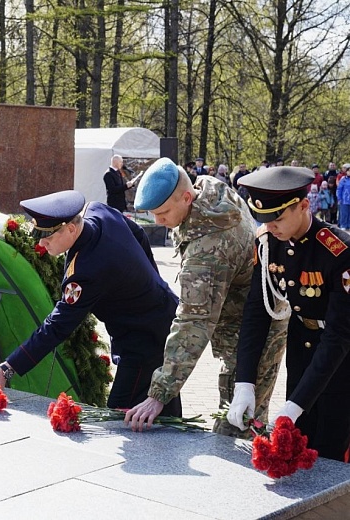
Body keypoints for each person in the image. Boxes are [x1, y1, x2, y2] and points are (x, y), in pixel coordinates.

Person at [0, 190, 182, 416]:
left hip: (145, 339)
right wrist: (152, 283)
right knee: (161, 410)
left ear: (71, 228)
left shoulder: (86, 271)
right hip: (163, 313)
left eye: (47, 237)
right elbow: (139, 234)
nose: (42, 244)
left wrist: (6, 370)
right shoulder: (98, 211)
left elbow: (56, 327)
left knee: (121, 415)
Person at [124, 158, 287, 434]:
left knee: (238, 428)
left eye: (162, 212)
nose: (158, 221)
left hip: (252, 338)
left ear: (187, 197)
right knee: (241, 420)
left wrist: (159, 394)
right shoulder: (209, 192)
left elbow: (193, 321)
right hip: (249, 328)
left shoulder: (209, 249)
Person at [227, 166, 350, 462]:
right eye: (264, 220)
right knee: (301, 442)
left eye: (278, 218)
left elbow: (337, 335)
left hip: (341, 357)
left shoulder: (339, 251)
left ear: (304, 206)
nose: (270, 227)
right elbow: (257, 312)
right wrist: (244, 383)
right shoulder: (268, 244)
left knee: (333, 447)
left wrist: (296, 404)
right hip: (301, 344)